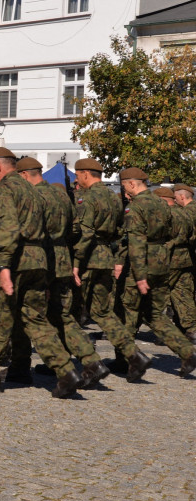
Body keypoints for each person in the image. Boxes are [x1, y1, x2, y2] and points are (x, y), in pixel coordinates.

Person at [0, 147, 81, 397]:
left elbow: (8, 227)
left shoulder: (5, 190)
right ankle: (64, 370)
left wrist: (3, 266)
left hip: (12, 261)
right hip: (37, 261)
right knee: (35, 319)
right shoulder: (34, 191)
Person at [17, 157, 108, 388]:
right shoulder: (62, 196)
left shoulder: (33, 196)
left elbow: (34, 229)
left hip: (42, 257)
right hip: (63, 258)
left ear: (25, 175)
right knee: (63, 316)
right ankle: (92, 361)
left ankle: (35, 366)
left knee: (32, 315)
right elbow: (76, 229)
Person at [70, 158, 152, 378]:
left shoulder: (87, 199)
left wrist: (76, 264)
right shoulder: (115, 199)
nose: (76, 178)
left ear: (86, 174)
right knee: (103, 312)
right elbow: (118, 232)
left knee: (71, 311)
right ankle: (133, 354)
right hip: (106, 257)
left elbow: (86, 234)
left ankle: (86, 363)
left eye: (77, 174)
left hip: (88, 258)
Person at [117, 169, 196, 378]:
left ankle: (131, 360)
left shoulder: (136, 208)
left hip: (143, 265)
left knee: (128, 312)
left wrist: (140, 275)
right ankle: (187, 351)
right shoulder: (162, 204)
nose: (124, 190)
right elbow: (176, 229)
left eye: (124, 185)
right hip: (162, 263)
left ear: (132, 184)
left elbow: (135, 244)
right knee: (154, 314)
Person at [172, 183, 196, 340]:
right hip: (190, 257)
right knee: (187, 290)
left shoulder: (187, 212)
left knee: (181, 291)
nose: (174, 201)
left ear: (182, 196)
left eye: (175, 197)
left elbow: (187, 237)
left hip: (187, 255)